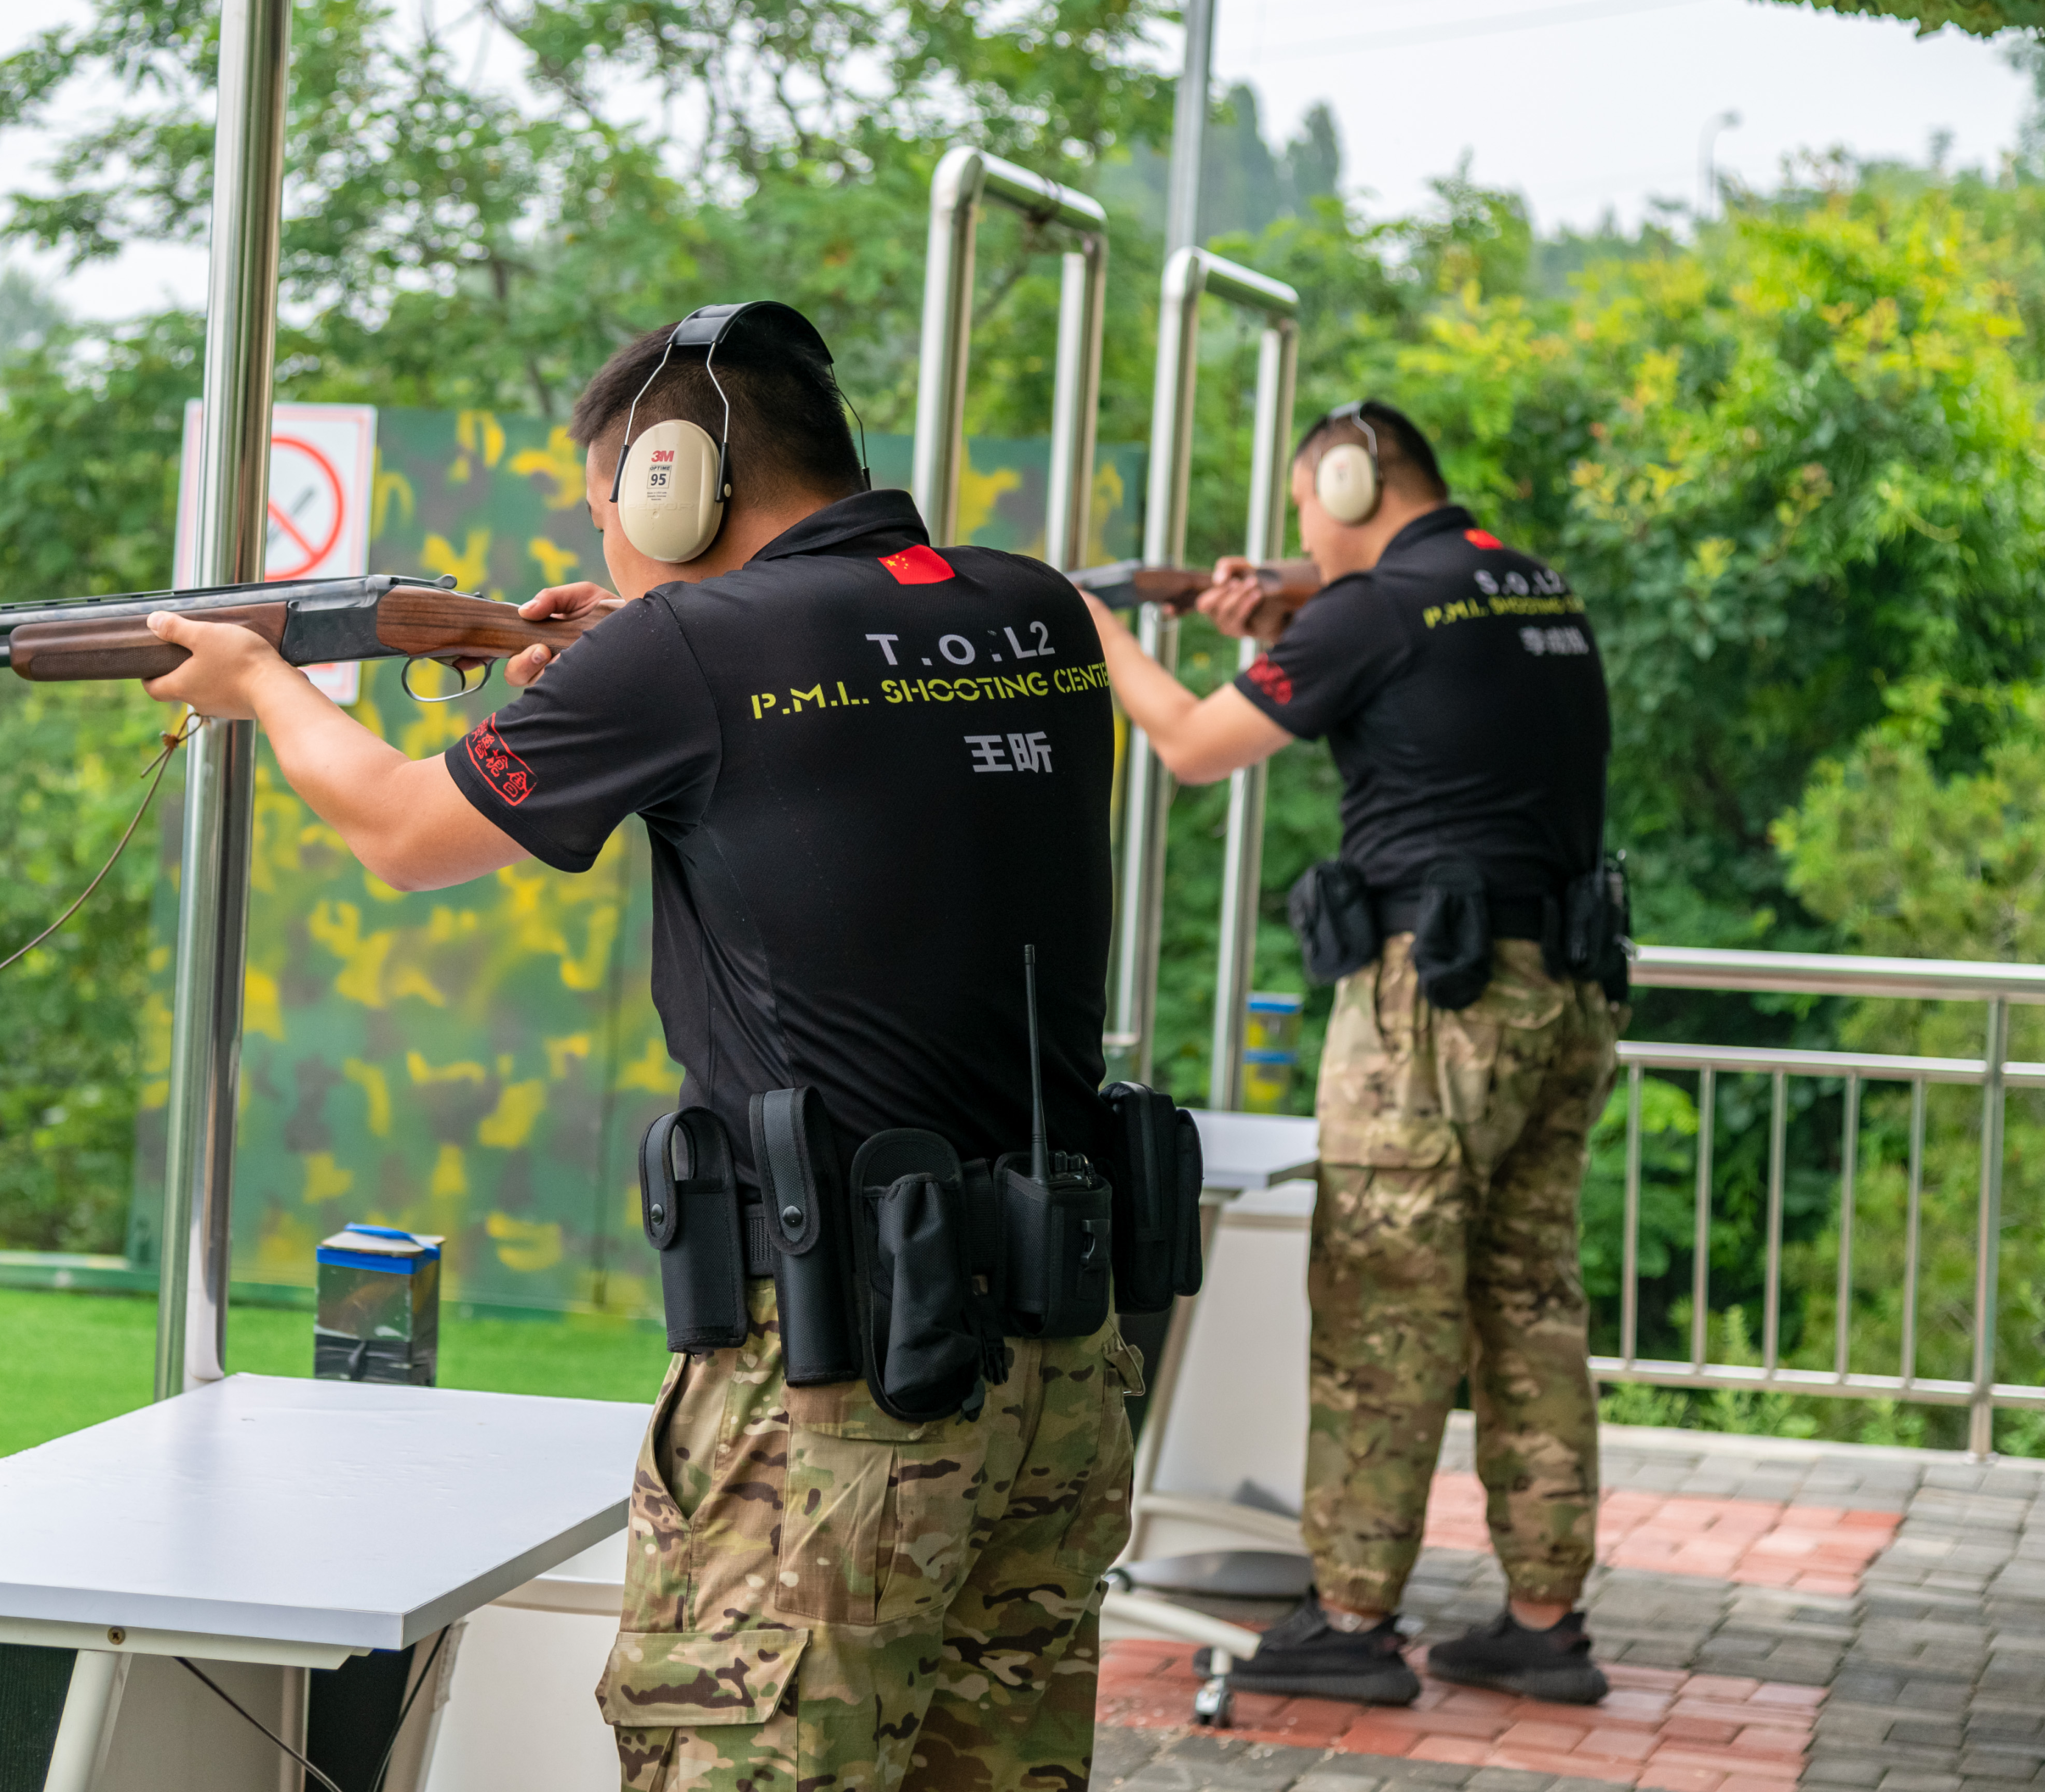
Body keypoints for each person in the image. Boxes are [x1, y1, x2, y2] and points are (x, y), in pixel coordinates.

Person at [142, 302, 1142, 1790]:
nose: (606, 534)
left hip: (843, 1376)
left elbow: (404, 835)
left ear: (676, 480)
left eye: (607, 499)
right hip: (1059, 1352)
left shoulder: (690, 647)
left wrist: (261, 684)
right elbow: (850, 700)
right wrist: (638, 655)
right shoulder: (1034, 608)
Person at [1079, 400, 1623, 1708]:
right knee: (1526, 1300)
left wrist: (1100, 638)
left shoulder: (1373, 608)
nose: (1296, 533)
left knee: (1385, 1305)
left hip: (1431, 1004)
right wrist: (1285, 618)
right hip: (1565, 985)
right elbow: (1437, 704)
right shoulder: (1521, 581)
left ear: (1349, 476)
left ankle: (1351, 1620)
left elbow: (1195, 747)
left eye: (1303, 507)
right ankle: (1543, 1620)